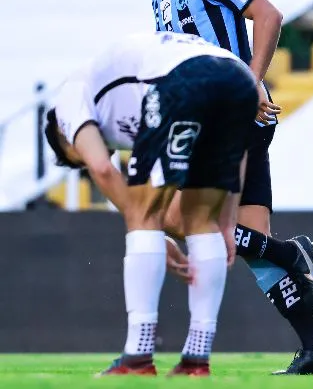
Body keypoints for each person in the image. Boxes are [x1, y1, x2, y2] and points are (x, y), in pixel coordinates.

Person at [127, 0, 313, 375]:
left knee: (173, 216)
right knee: (253, 242)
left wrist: (250, 80)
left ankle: (291, 253)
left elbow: (269, 15)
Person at [44, 32, 260, 376]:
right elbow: (241, 151)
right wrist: (228, 219)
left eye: (76, 158)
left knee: (143, 215)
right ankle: (196, 359)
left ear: (63, 136)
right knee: (201, 220)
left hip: (180, 78)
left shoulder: (67, 102)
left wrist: (149, 230)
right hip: (239, 82)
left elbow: (101, 169)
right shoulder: (123, 107)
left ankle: (138, 356)